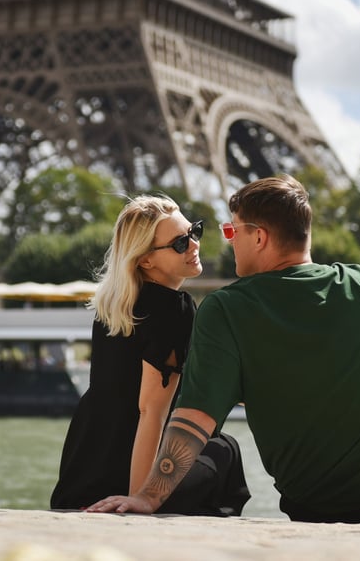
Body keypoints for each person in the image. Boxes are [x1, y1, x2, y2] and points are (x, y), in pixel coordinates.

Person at [87, 175, 360, 526]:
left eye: (232, 230)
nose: (227, 241)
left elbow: (192, 422)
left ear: (260, 238)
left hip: (312, 506)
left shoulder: (224, 310)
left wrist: (149, 497)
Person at [50, 194, 250, 515]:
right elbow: (150, 411)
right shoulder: (172, 309)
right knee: (224, 449)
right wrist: (140, 499)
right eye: (179, 243)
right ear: (145, 260)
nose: (194, 244)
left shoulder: (114, 306)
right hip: (131, 471)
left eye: (194, 232)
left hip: (87, 465)